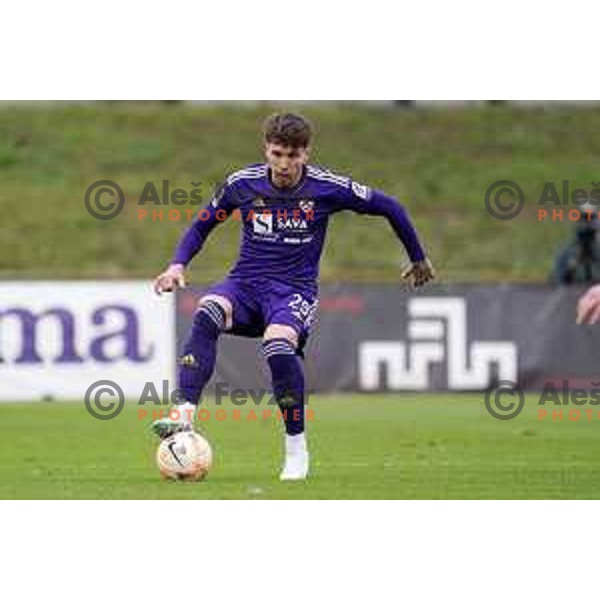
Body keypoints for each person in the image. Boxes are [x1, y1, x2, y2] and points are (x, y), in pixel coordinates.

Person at [151, 113, 434, 480]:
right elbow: (203, 223)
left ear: (307, 153)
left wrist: (417, 257)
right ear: (266, 150)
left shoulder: (326, 188)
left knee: (278, 347)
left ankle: (296, 449)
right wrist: (176, 265)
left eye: (293, 155)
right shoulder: (242, 184)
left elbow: (390, 206)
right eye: (277, 153)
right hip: (245, 286)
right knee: (207, 312)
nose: (284, 164)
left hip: (292, 293)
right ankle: (184, 413)